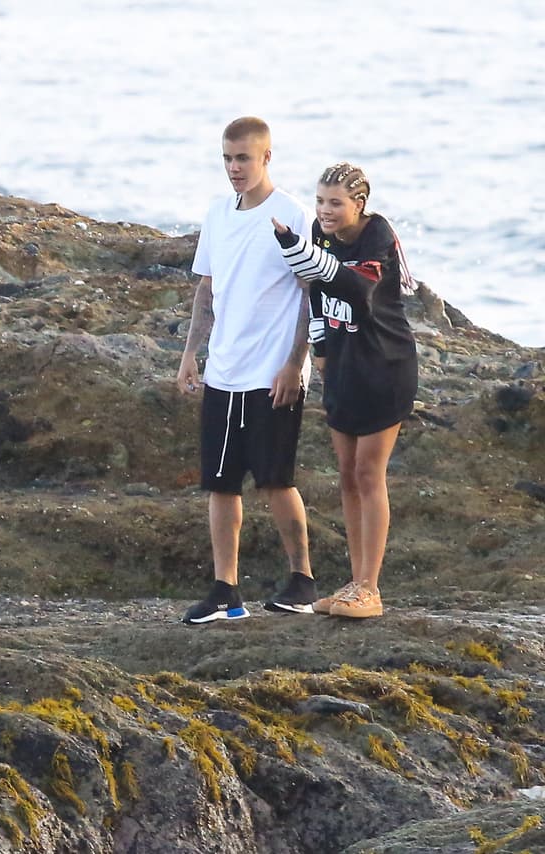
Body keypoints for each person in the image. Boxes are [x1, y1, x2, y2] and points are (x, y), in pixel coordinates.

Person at [177, 116, 318, 625]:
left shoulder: (294, 215)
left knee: (276, 481)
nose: (235, 168)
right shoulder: (218, 215)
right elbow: (206, 289)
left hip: (273, 373)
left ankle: (301, 579)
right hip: (225, 372)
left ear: (266, 158)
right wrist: (191, 353)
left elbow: (310, 294)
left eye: (243, 158)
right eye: (227, 159)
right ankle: (225, 591)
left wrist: (294, 364)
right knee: (220, 484)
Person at [270, 162, 418, 619]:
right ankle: (355, 583)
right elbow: (315, 290)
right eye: (319, 201)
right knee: (347, 474)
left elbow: (357, 289)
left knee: (370, 473)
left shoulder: (378, 235)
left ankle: (370, 590)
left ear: (360, 203)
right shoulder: (321, 232)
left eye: (335, 203)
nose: (325, 211)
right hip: (343, 369)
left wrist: (296, 249)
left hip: (384, 366)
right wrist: (318, 346)